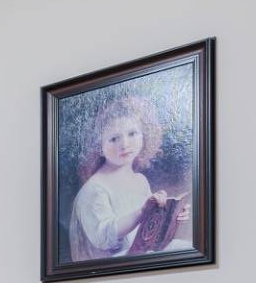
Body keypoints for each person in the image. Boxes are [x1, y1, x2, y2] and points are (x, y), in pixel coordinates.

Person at [67, 94, 179, 260]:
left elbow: (148, 230)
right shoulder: (94, 189)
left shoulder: (140, 180)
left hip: (139, 256)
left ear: (144, 136)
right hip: (111, 268)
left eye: (132, 134)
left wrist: (171, 214)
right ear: (99, 146)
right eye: (114, 139)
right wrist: (142, 212)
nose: (125, 144)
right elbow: (104, 238)